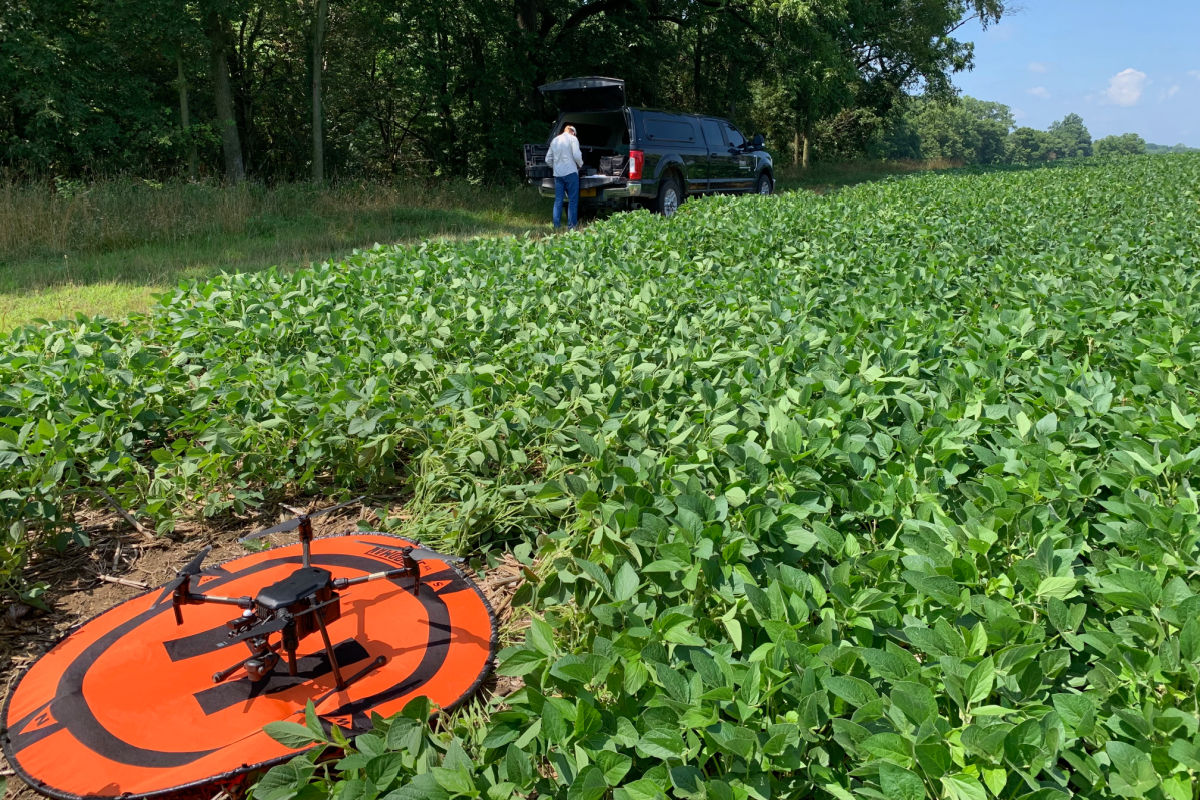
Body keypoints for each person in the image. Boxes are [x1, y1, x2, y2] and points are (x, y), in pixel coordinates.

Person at [545, 123, 583, 231]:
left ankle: (556, 226)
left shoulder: (555, 140)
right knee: (572, 200)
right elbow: (576, 155)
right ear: (573, 132)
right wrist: (580, 164)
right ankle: (572, 226)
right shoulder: (573, 139)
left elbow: (547, 160)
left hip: (558, 175)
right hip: (571, 172)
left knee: (558, 200)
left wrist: (556, 166)